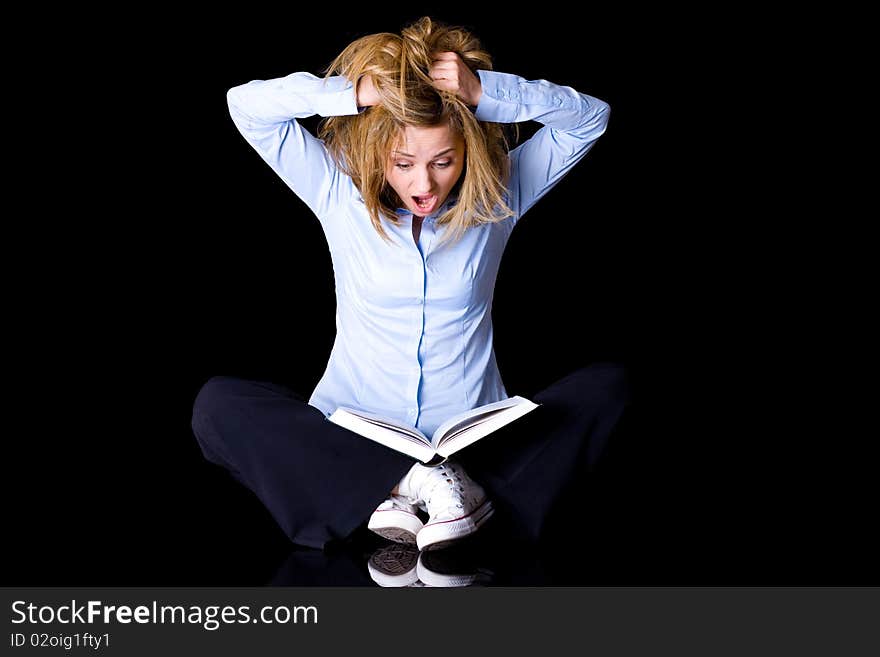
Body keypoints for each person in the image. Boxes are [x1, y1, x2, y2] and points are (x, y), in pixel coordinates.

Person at [192, 16, 630, 553]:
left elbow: (589, 119)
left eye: (443, 161)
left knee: (608, 385)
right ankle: (414, 488)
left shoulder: (498, 194)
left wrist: (483, 91)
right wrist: (353, 92)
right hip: (351, 437)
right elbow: (248, 106)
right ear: (380, 153)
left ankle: (418, 499)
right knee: (218, 406)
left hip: (473, 440)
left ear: (466, 153)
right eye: (403, 163)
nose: (423, 183)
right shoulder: (337, 189)